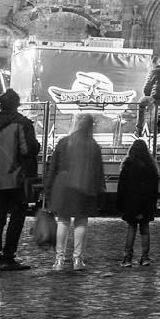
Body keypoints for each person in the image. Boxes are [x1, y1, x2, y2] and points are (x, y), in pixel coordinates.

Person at [0, 86, 40, 271]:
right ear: (17, 104)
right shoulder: (22, 123)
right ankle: (8, 257)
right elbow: (27, 150)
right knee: (17, 217)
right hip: (16, 178)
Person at [44, 113, 106, 271]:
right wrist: (100, 191)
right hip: (85, 189)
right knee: (81, 222)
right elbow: (99, 171)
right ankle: (78, 259)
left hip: (64, 188)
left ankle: (59, 260)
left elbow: (53, 167)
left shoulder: (64, 142)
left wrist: (48, 188)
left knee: (62, 222)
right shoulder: (93, 145)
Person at [116, 136, 160, 266]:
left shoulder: (127, 166)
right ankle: (145, 257)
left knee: (131, 228)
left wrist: (120, 205)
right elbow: (154, 189)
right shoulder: (151, 167)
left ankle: (127, 258)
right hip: (146, 204)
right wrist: (153, 204)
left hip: (131, 203)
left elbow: (122, 187)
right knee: (145, 229)